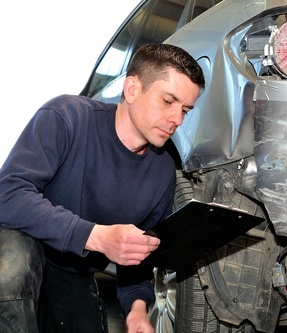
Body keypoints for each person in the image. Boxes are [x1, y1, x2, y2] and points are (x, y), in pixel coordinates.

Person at [0, 43, 205, 333]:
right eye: (168, 101)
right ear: (132, 89)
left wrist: (136, 311)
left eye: (185, 109)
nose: (177, 120)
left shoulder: (162, 171)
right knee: (11, 264)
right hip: (22, 246)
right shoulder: (66, 116)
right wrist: (95, 236)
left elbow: (136, 258)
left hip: (72, 274)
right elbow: (7, 195)